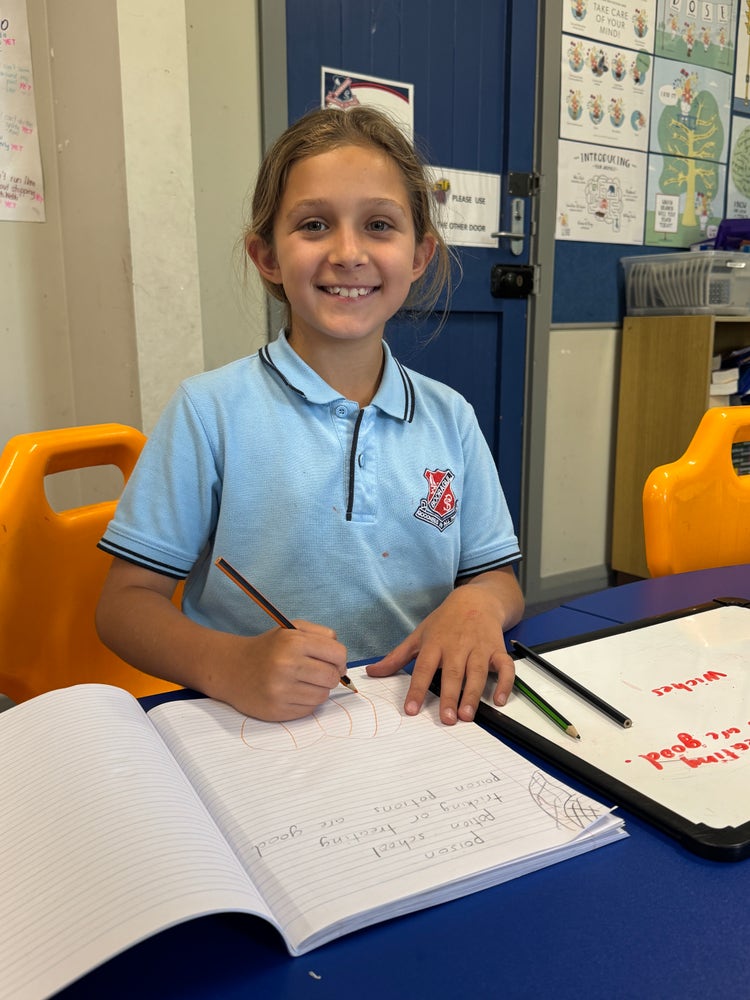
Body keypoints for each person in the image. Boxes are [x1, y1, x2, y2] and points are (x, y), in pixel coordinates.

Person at [96, 106, 524, 726]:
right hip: (255, 729)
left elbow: (498, 578)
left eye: (379, 225)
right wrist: (231, 664)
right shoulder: (209, 412)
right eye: (315, 224)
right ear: (266, 256)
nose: (348, 253)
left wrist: (479, 603)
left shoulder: (450, 417)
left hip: (419, 722)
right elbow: (124, 605)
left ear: (419, 255)